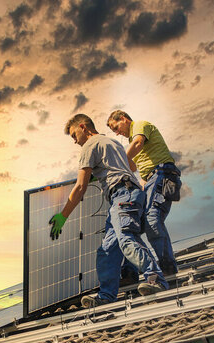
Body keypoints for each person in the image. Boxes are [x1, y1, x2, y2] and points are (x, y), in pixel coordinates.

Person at [49, 114, 168, 308]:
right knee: (107, 249)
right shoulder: (112, 142)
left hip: (122, 195)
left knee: (127, 239)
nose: (74, 141)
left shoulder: (90, 145)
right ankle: (106, 295)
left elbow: (80, 187)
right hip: (127, 195)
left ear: (83, 127)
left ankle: (156, 279)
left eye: (73, 135)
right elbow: (130, 166)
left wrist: (63, 215)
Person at [107, 110, 182, 276]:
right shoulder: (130, 142)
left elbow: (138, 144)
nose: (117, 132)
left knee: (152, 220)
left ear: (124, 119)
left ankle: (167, 267)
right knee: (134, 224)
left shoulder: (140, 125)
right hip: (149, 180)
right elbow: (134, 168)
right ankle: (130, 271)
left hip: (162, 173)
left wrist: (118, 160)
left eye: (116, 127)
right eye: (114, 132)